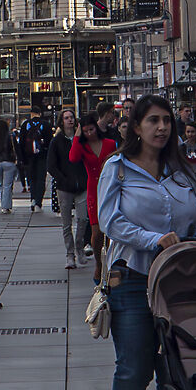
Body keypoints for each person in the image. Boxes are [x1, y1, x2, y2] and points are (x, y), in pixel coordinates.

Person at [96, 93, 196, 390]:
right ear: (136, 127)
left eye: (167, 121)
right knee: (134, 366)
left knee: (173, 369)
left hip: (177, 279)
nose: (162, 127)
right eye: (153, 121)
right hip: (131, 278)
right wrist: (153, 238)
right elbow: (109, 221)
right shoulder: (119, 168)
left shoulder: (182, 170)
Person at [72, 113, 117, 282]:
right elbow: (73, 158)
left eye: (91, 129)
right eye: (85, 131)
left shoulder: (110, 143)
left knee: (112, 230)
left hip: (109, 188)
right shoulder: (83, 147)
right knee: (96, 232)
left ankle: (111, 263)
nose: (89, 134)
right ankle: (99, 263)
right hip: (93, 190)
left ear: (96, 128)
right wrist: (77, 136)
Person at [44, 109, 88, 267]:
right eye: (66, 118)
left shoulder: (82, 139)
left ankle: (79, 247)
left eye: (71, 117)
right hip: (64, 187)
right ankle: (70, 254)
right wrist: (63, 179)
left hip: (82, 185)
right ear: (61, 121)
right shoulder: (57, 141)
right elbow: (51, 165)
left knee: (83, 219)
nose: (70, 120)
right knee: (66, 223)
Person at [19, 112, 52, 208]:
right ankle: (38, 202)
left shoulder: (26, 124)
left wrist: (22, 158)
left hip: (29, 156)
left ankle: (33, 198)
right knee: (41, 179)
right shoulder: (45, 124)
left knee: (32, 178)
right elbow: (50, 142)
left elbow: (21, 142)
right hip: (42, 156)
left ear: (31, 113)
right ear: (39, 113)